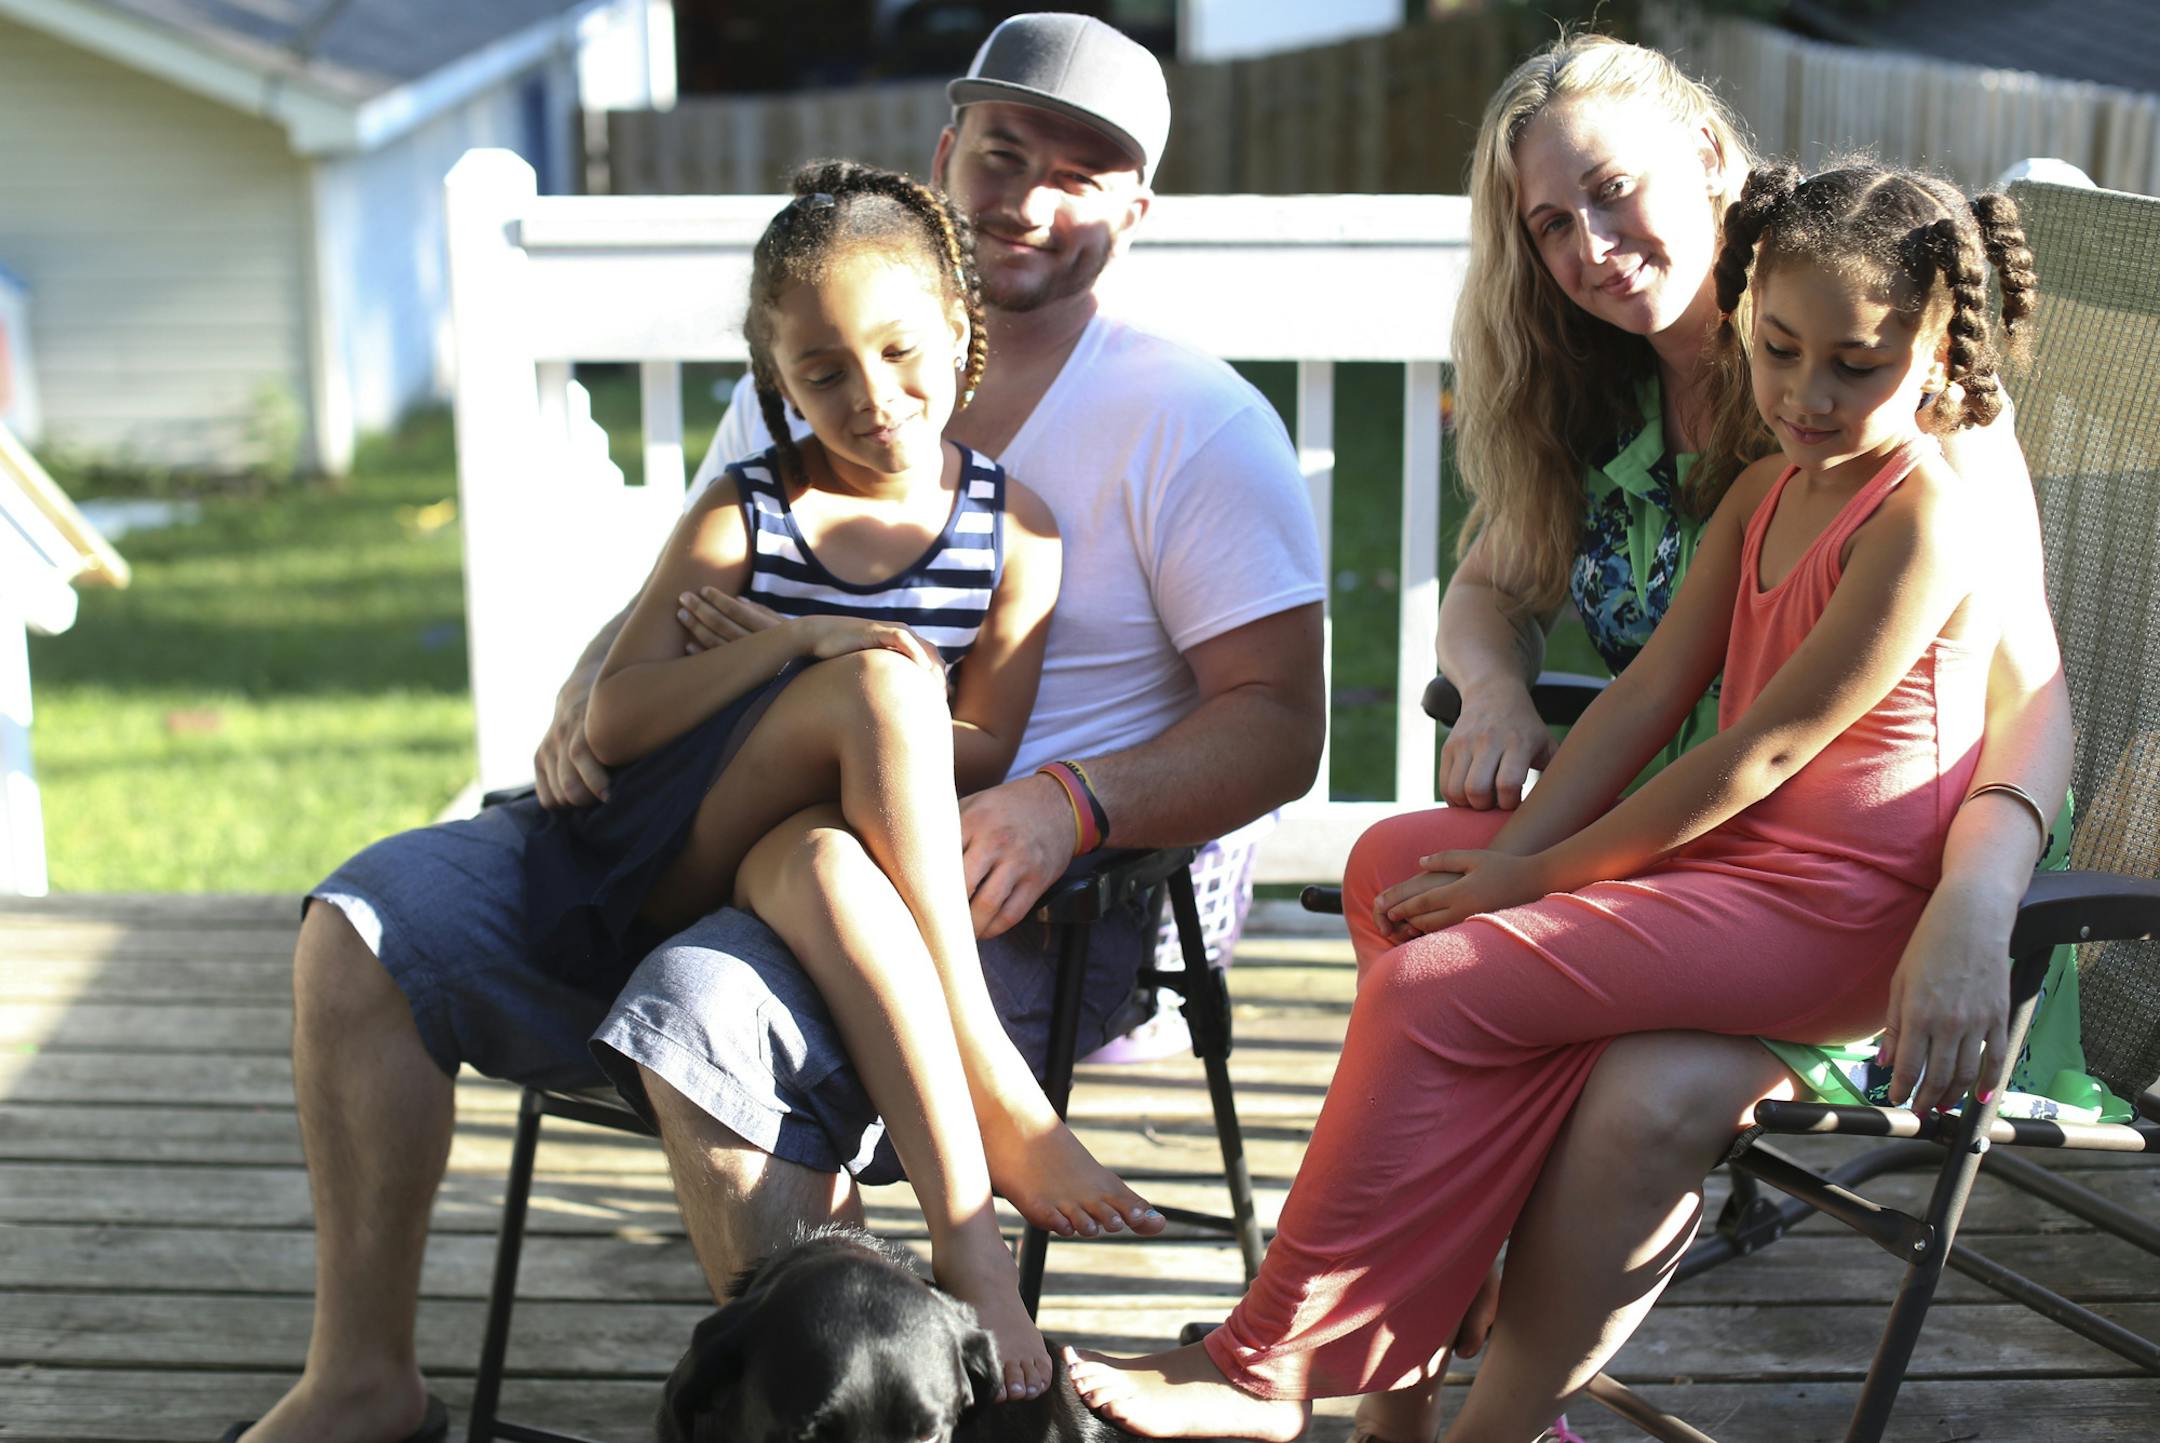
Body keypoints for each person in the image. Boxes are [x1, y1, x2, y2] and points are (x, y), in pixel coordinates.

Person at [229, 14, 1324, 1442]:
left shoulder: (1190, 423)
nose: (1031, 198)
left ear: (1138, 207)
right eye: (1005, 153)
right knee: (369, 920)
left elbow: (1278, 726)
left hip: (1011, 897)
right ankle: (360, 1380)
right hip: (703, 806)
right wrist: (583, 690)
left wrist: (1069, 801)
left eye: (1083, 172)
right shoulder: (815, 362)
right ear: (947, 152)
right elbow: (689, 599)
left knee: (709, 1003)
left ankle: (835, 1407)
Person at [1065, 157, 2053, 1438]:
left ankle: (1269, 1367)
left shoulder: (1921, 518)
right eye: (1778, 349)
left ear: (1939, 356)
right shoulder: (1765, 491)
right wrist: (1510, 856)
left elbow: (1759, 755)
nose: (1807, 395)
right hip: (1738, 878)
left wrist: (1532, 879)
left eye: (1856, 366)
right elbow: (1642, 701)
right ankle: (1408, 1331)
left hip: (1839, 914)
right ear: (1747, 315)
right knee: (1395, 870)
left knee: (1436, 980)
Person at [1314, 35, 2082, 1443]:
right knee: (1395, 871)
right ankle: (1411, 1352)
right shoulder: (1597, 383)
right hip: (1678, 853)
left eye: (1615, 191)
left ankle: (1467, 1391)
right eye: (1552, 223)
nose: (1592, 248)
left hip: (1878, 890)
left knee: (1608, 1070)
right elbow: (1488, 591)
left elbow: (2031, 699)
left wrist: (1977, 906)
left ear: (1715, 160)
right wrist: (1493, 689)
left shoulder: (1893, 376)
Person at [522, 156, 1177, 1399]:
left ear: (961, 330)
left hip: (816, 845)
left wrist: (878, 716)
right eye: (822, 372)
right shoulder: (745, 511)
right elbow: (618, 716)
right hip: (669, 849)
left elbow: (983, 743)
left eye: (898, 352)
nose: (870, 396)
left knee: (837, 847)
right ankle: (991, 1074)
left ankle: (966, 1240)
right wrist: (802, 647)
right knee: (882, 685)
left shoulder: (1016, 531)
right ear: (777, 379)